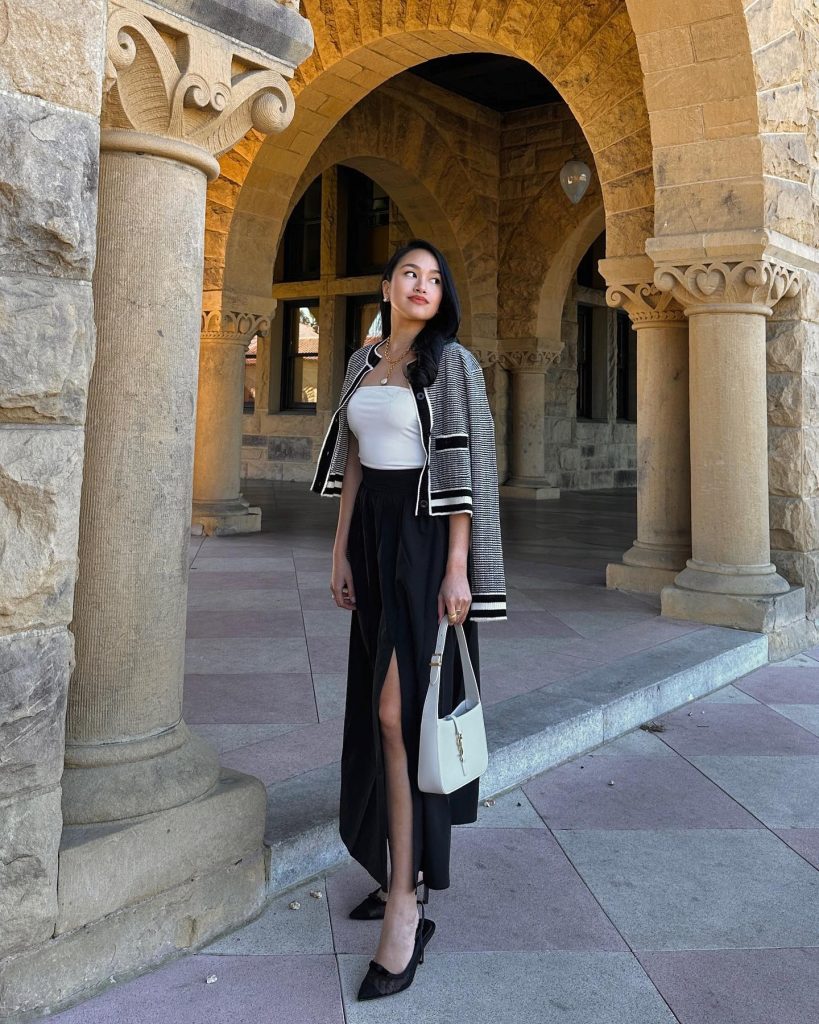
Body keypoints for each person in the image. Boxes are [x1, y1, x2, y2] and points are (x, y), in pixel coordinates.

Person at [311, 239, 506, 1000]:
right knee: (379, 707)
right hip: (372, 538)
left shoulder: (452, 365)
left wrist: (458, 566)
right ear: (387, 285)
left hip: (427, 541)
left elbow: (465, 465)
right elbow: (356, 461)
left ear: (441, 293)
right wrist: (340, 552)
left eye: (433, 278)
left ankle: (405, 903)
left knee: (400, 714)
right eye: (409, 274)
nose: (422, 285)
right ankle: (399, 866)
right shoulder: (363, 361)